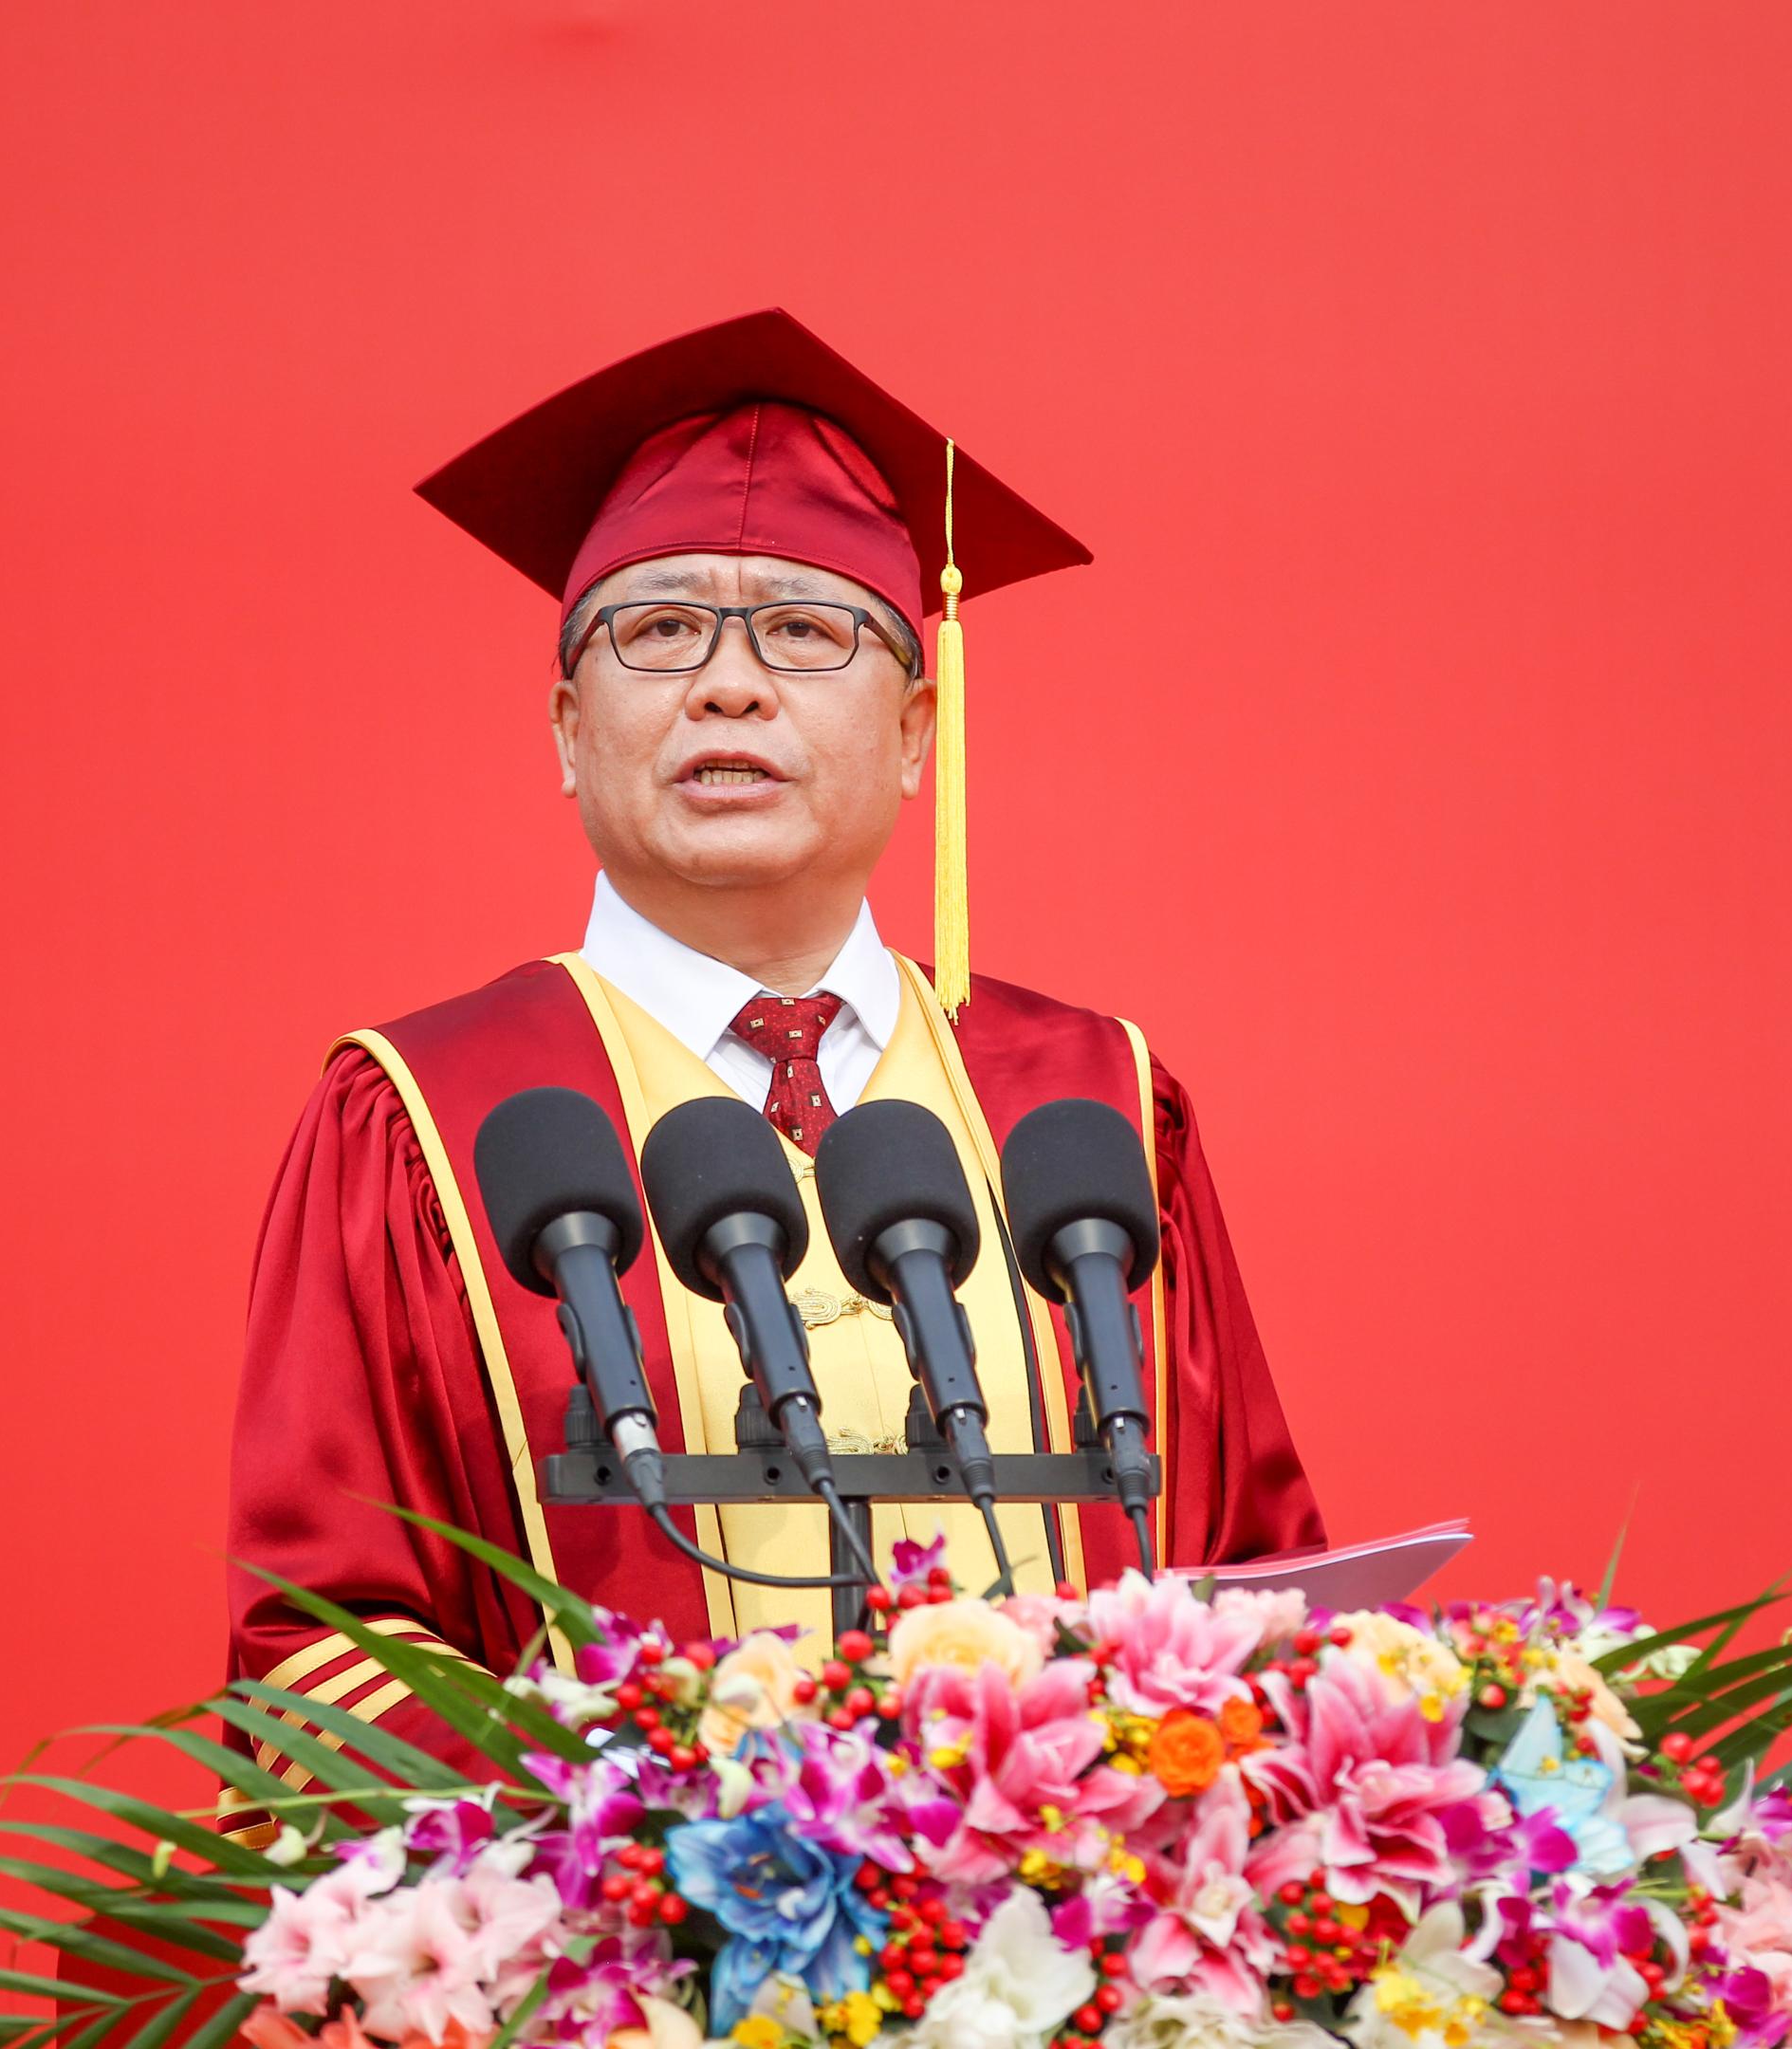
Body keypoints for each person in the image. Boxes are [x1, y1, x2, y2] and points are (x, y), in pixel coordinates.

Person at [226, 310, 1323, 1794]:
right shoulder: (427, 1117)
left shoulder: (1091, 1103)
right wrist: (650, 1819)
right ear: (567, 727)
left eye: (805, 631)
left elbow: (1252, 1584)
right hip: (619, 1927)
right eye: (659, 630)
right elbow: (324, 1650)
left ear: (918, 728)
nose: (729, 685)